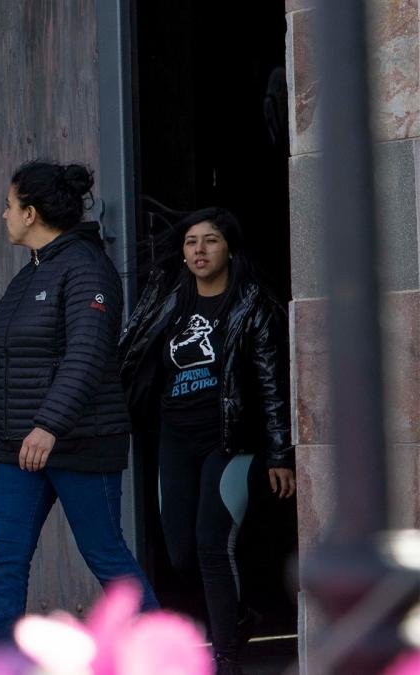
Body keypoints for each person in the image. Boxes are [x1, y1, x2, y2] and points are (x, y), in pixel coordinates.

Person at [0, 161, 157, 643]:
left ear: (31, 213)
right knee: (5, 560)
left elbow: (88, 353)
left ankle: (167, 658)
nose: (4, 214)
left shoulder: (85, 267)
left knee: (105, 556)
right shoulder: (30, 275)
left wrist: (49, 425)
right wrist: (24, 434)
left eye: (10, 205)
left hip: (80, 441)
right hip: (20, 447)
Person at [118, 207, 295, 674]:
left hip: (229, 440)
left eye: (211, 240)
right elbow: (131, 353)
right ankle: (239, 618)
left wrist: (280, 452)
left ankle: (224, 654)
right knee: (179, 553)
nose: (199, 249)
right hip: (175, 437)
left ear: (229, 249)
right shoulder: (168, 298)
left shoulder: (249, 304)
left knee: (212, 544)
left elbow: (273, 381)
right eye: (192, 241)